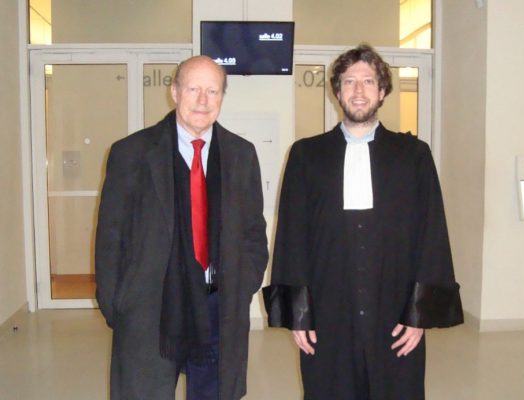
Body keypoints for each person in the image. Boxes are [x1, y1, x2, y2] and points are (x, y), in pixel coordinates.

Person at [262, 44, 463, 399]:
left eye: (368, 81)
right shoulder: (307, 155)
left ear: (382, 91)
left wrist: (417, 314)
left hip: (395, 309)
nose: (358, 90)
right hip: (328, 312)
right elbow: (292, 237)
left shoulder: (413, 156)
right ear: (337, 91)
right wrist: (299, 314)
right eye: (349, 81)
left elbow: (431, 235)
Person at [95, 55, 268, 400]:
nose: (203, 100)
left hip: (218, 307)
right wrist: (118, 303)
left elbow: (253, 231)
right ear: (174, 91)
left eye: (212, 91)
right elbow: (110, 237)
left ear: (222, 96)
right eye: (193, 89)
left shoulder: (242, 154)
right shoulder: (131, 153)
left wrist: (243, 285)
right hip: (150, 308)